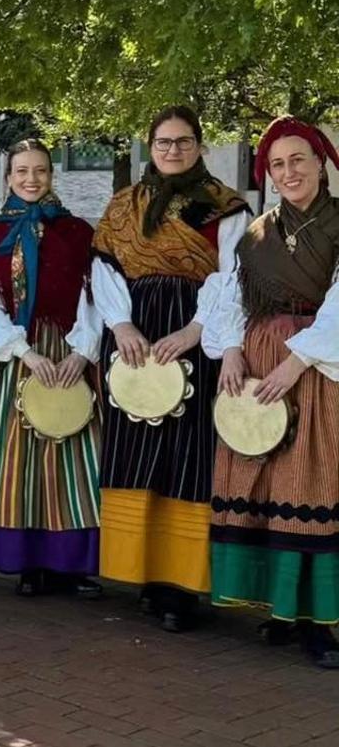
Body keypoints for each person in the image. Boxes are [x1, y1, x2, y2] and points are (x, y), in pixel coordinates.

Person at [92, 105, 248, 631]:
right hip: (135, 335)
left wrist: (193, 333)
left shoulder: (223, 207)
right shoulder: (123, 206)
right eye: (163, 142)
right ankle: (143, 574)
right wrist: (120, 327)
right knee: (137, 454)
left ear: (200, 146)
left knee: (188, 455)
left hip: (196, 337)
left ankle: (181, 586)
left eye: (183, 142)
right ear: (150, 146)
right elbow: (103, 269)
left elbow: (233, 278)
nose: (173, 150)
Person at [203, 116, 339, 668]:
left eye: (298, 160)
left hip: (319, 367)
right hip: (258, 363)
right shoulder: (256, 232)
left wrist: (300, 358)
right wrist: (230, 348)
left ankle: (321, 622)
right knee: (262, 483)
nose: (289, 173)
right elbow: (230, 296)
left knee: (311, 482)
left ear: (321, 162)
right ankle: (281, 611)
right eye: (277, 165)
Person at [0, 139, 103, 597]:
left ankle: (70, 565)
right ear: (8, 178)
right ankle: (26, 563)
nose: (31, 179)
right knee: (18, 463)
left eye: (39, 171)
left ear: (51, 175)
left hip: (67, 352)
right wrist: (25, 353)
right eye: (21, 171)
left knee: (75, 460)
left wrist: (82, 352)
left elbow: (93, 295)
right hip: (20, 358)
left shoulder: (78, 233)